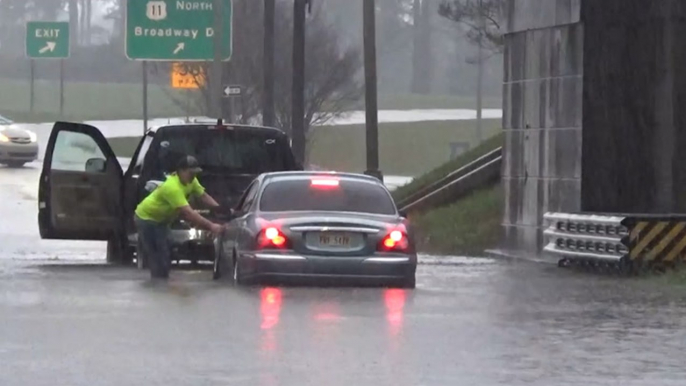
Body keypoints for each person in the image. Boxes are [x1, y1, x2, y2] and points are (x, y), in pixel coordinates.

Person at [134, 155, 225, 279]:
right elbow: (188, 213)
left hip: (163, 220)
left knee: (166, 250)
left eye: (195, 173)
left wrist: (220, 209)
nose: (193, 176)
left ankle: (162, 280)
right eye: (190, 173)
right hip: (146, 219)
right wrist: (211, 226)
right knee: (158, 254)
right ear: (181, 171)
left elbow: (203, 196)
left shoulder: (191, 181)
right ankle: (158, 283)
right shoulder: (172, 187)